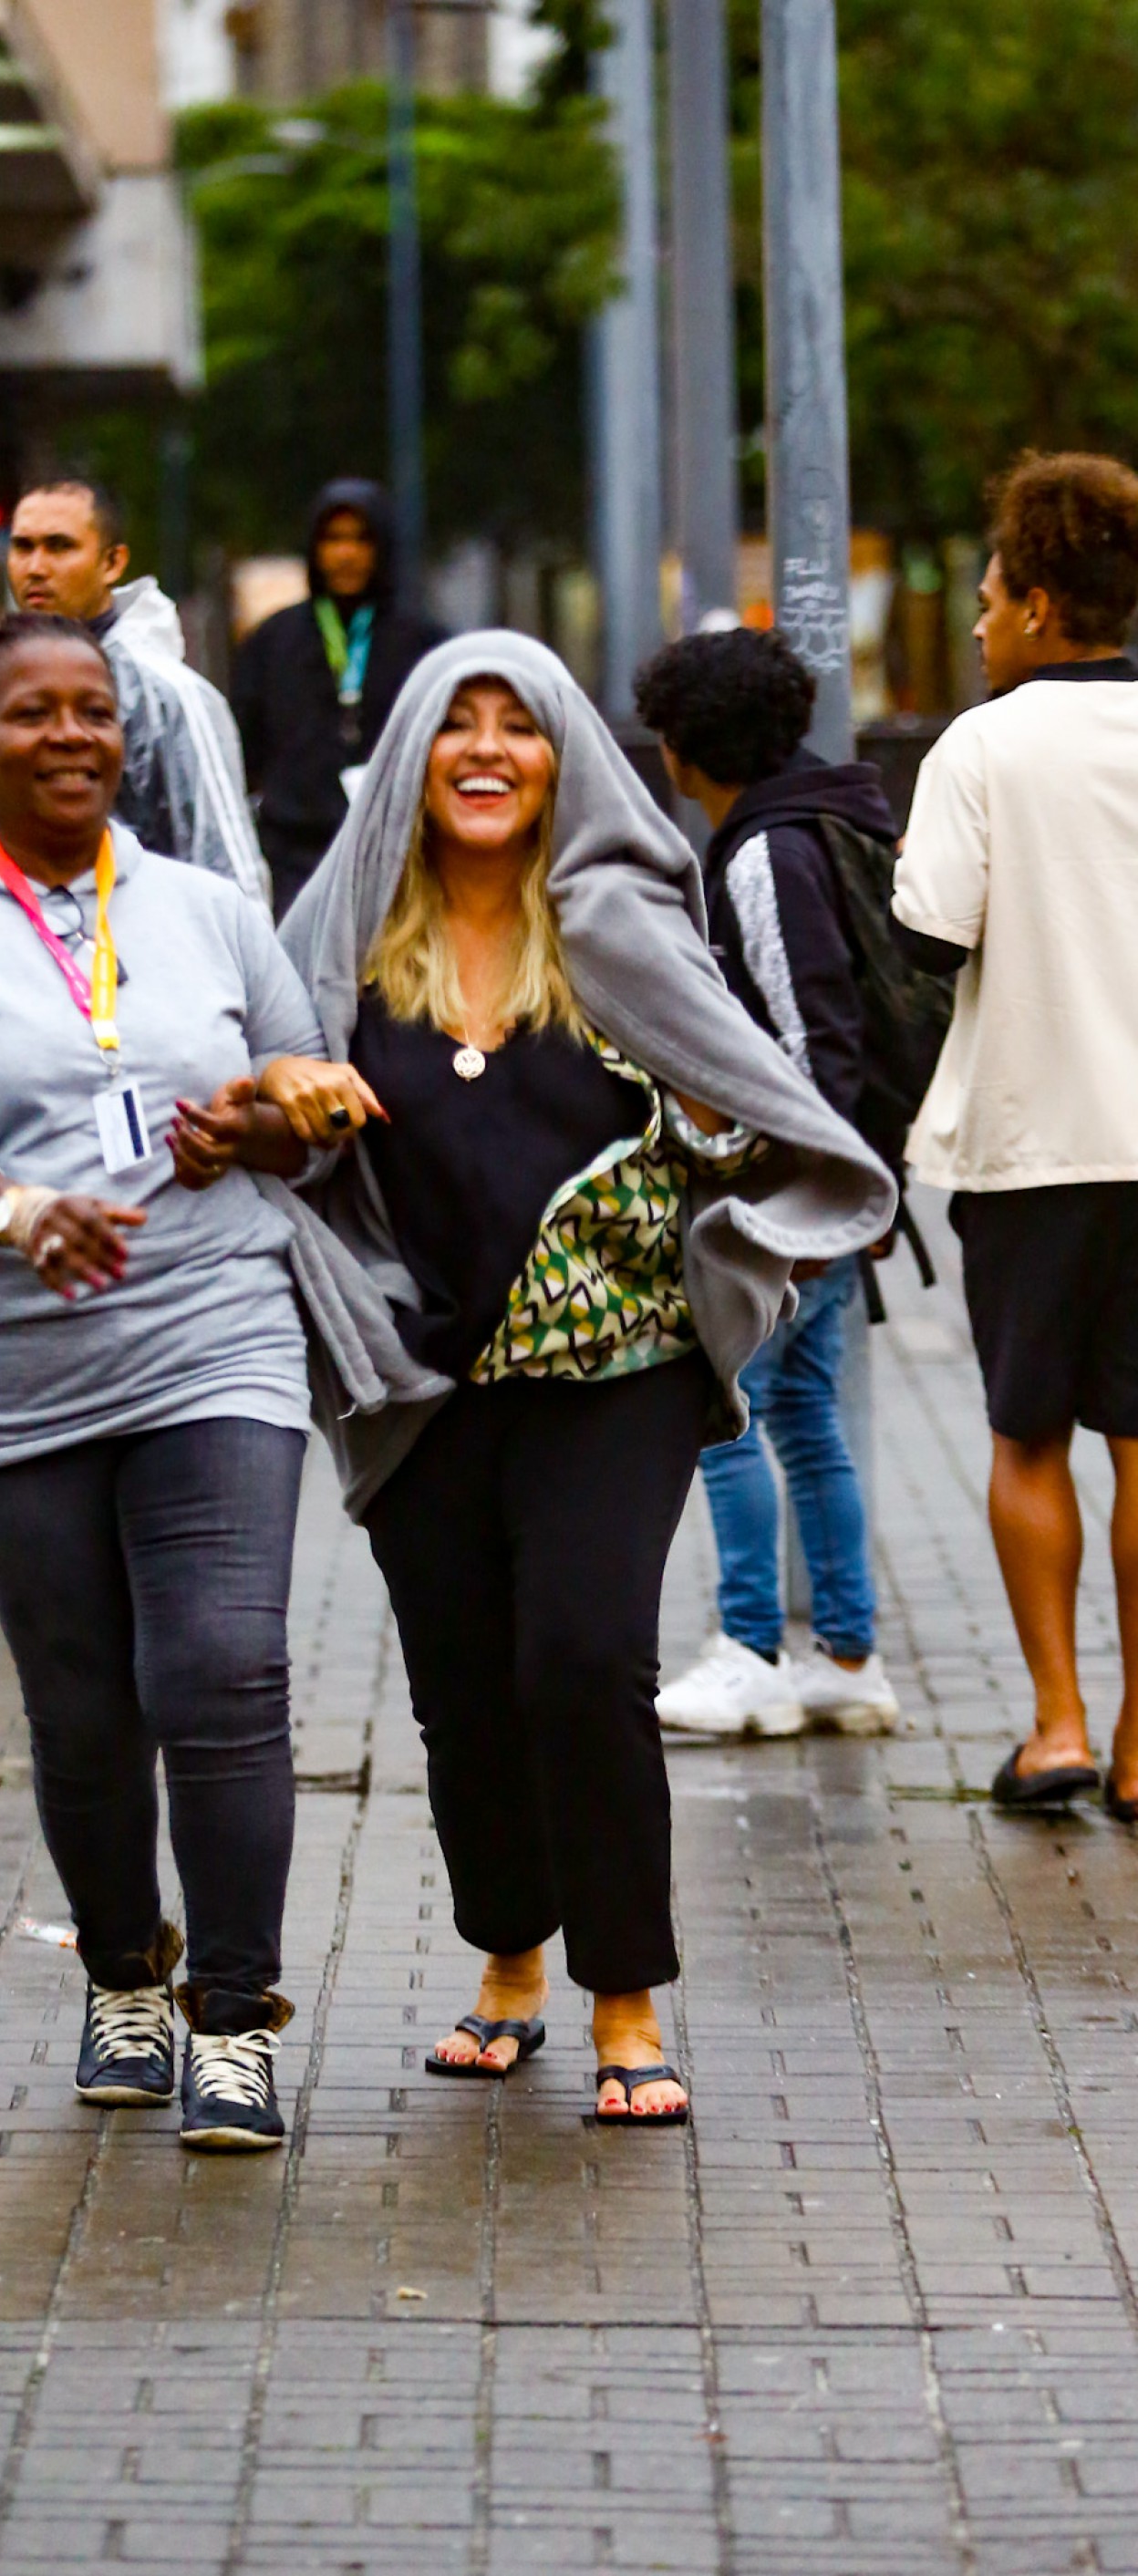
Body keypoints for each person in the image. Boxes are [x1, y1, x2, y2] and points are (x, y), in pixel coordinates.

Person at [250, 636, 893, 2118]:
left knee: (582, 1658)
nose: (486, 750)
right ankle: (507, 1963)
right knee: (464, 1686)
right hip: (419, 1373)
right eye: (453, 724)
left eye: (517, 727)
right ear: (409, 754)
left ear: (562, 760)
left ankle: (622, 1996)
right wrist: (287, 1114)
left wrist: (725, 1168)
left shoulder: (618, 930)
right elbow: (267, 1128)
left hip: (615, 1366)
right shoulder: (340, 941)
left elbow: (757, 1122)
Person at [0, 612, 331, 2152]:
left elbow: (303, 1088)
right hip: (9, 1367)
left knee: (223, 1673)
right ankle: (126, 1977)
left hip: (213, 1327)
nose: (73, 736)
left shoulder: (202, 908)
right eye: (36, 716)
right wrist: (13, 1209)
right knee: (85, 1702)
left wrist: (251, 1125)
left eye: (95, 712)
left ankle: (234, 2022)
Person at [892, 450, 1138, 1822]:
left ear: (1041, 605)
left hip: (1033, 1143)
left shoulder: (981, 743)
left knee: (1029, 1434)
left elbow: (931, 936)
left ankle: (1056, 1727)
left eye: (989, 599)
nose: (979, 623)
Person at [633, 626, 901, 1741]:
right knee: (799, 1410)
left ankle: (749, 1649)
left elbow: (807, 1036)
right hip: (838, 1183)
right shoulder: (832, 815)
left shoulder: (763, 850)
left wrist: (793, 1198)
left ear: (691, 746)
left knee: (729, 1412)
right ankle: (845, 1654)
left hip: (793, 1194)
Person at [0, 481, 266, 989]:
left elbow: (229, 872)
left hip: (146, 987)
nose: (36, 566)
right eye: (23, 547)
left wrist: (247, 1012)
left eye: (60, 546)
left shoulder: (172, 699)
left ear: (112, 563)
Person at [232, 480, 446, 920]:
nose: (346, 554)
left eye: (361, 539)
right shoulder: (273, 641)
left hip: (397, 857)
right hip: (293, 858)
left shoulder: (423, 644)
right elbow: (244, 748)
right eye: (333, 539)